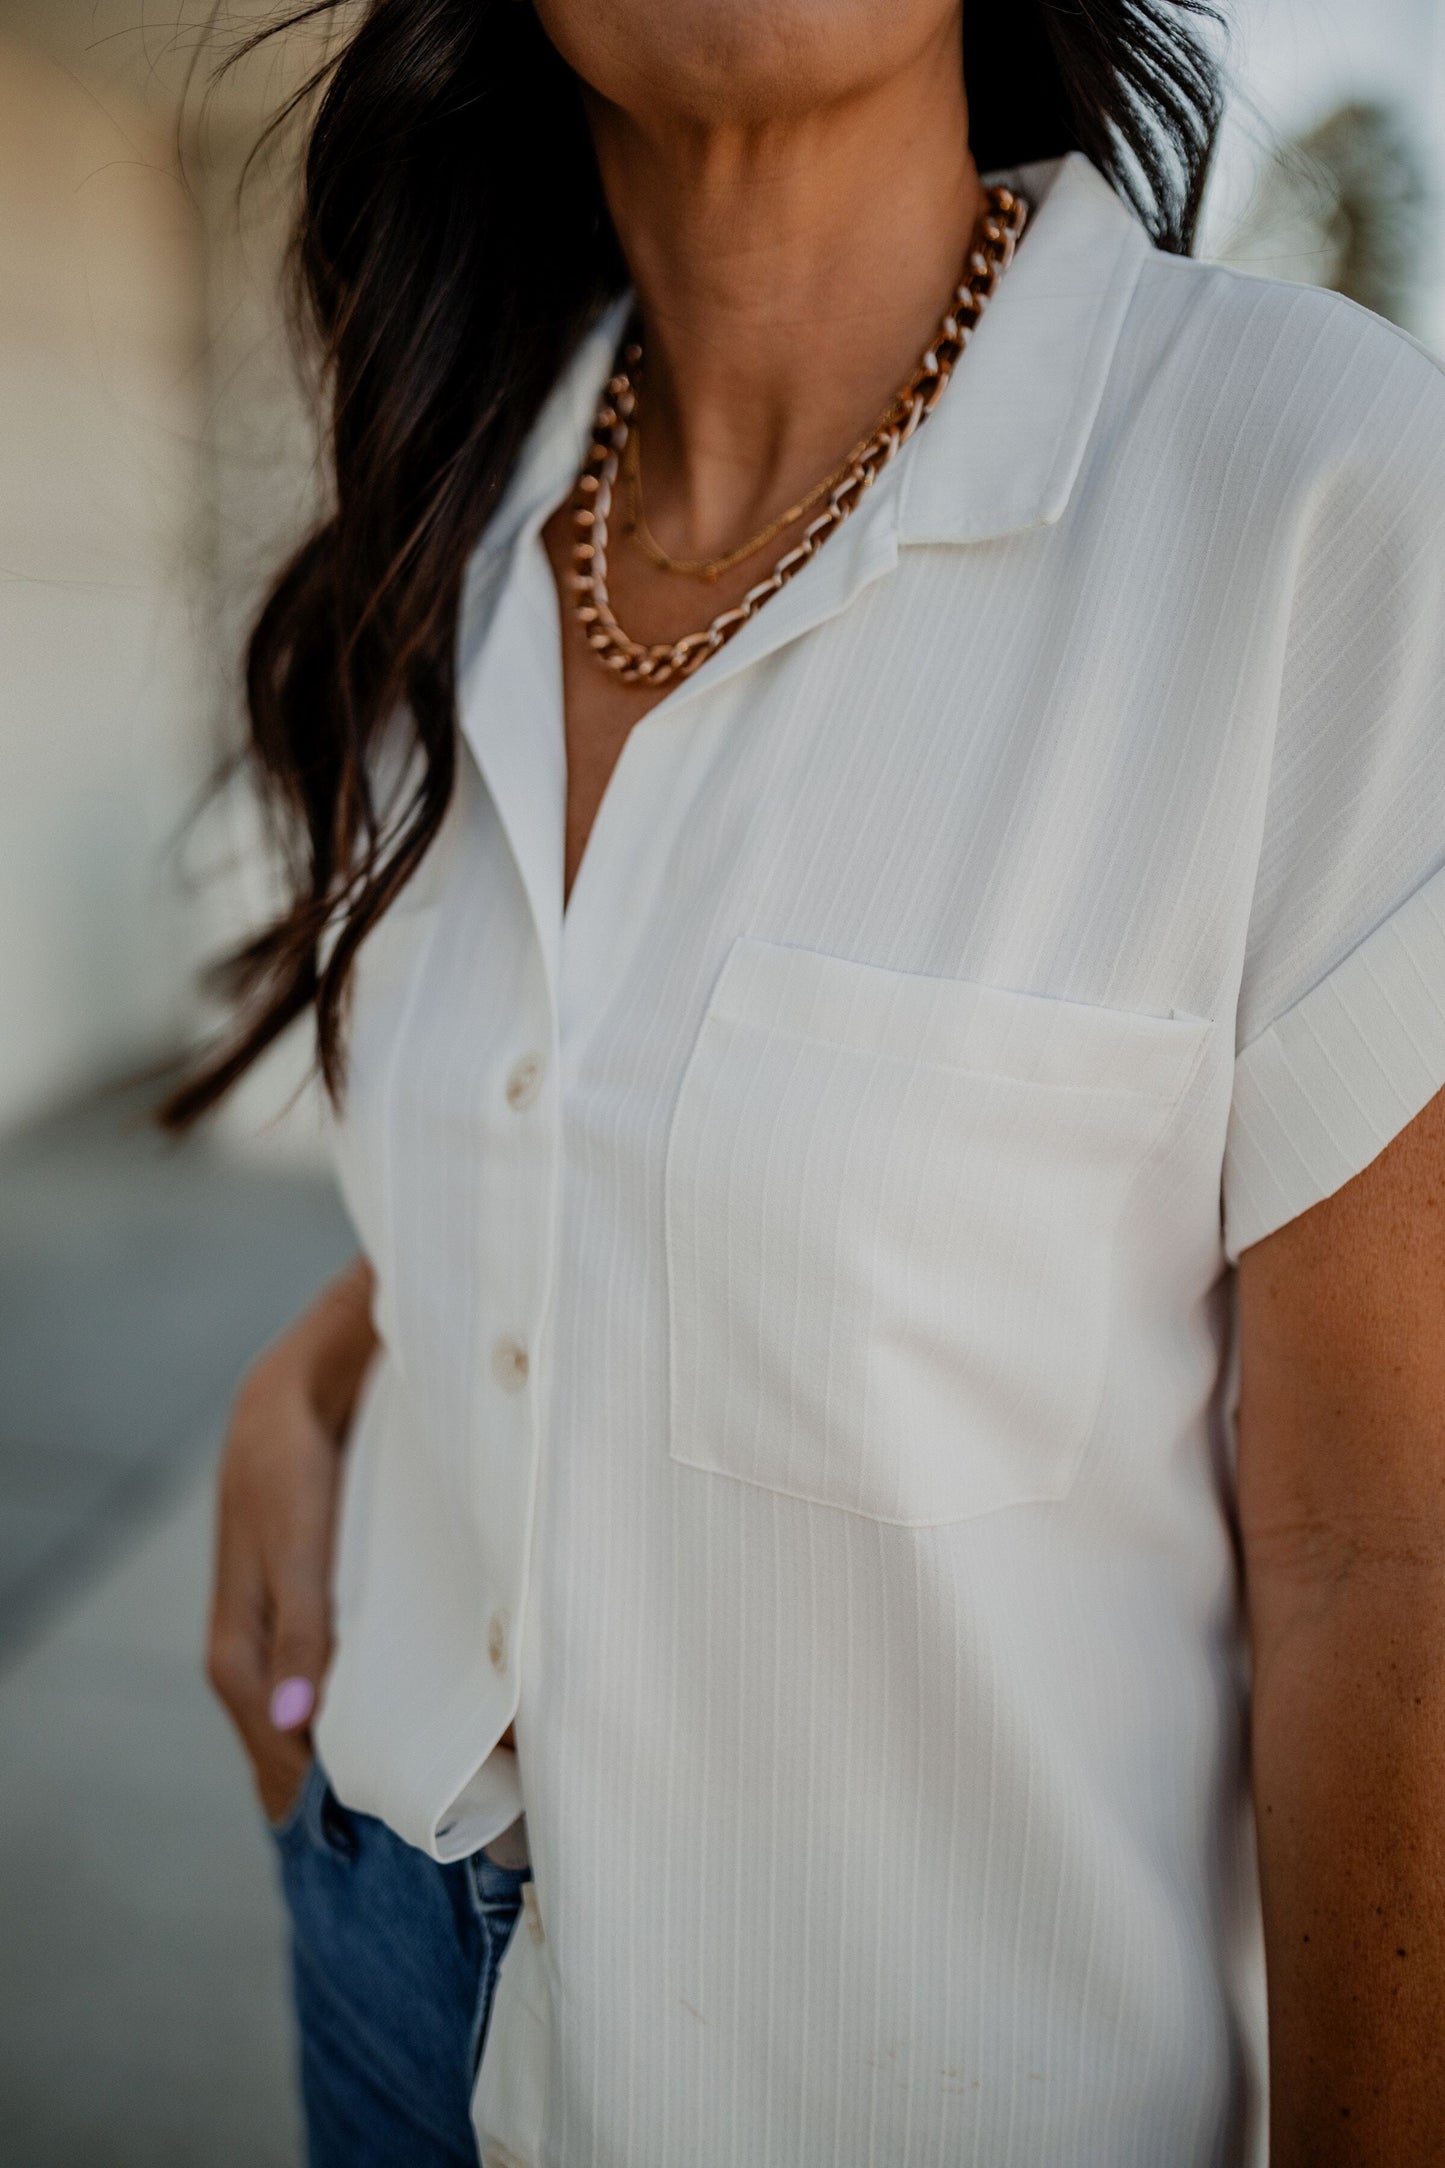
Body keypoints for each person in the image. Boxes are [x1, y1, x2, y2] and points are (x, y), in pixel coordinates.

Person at [174, 1, 1445, 2161]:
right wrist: (335, 1346)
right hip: (381, 1952)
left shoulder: (1310, 491)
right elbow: (597, 1122)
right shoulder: (458, 512)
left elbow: (1381, 1559)